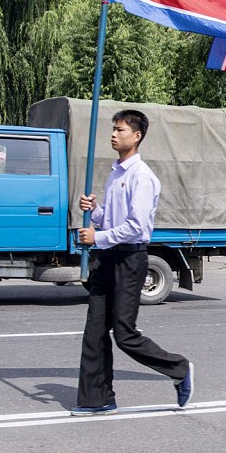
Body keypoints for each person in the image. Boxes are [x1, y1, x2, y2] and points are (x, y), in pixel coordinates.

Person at [71, 110, 192, 416]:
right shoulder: (116, 173)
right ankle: (97, 399)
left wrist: (95, 237)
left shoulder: (142, 177)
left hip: (130, 258)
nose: (114, 134)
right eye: (113, 129)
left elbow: (136, 227)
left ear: (136, 136)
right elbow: (114, 220)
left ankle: (178, 368)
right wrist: (96, 212)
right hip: (108, 257)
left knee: (124, 333)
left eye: (120, 130)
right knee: (94, 331)